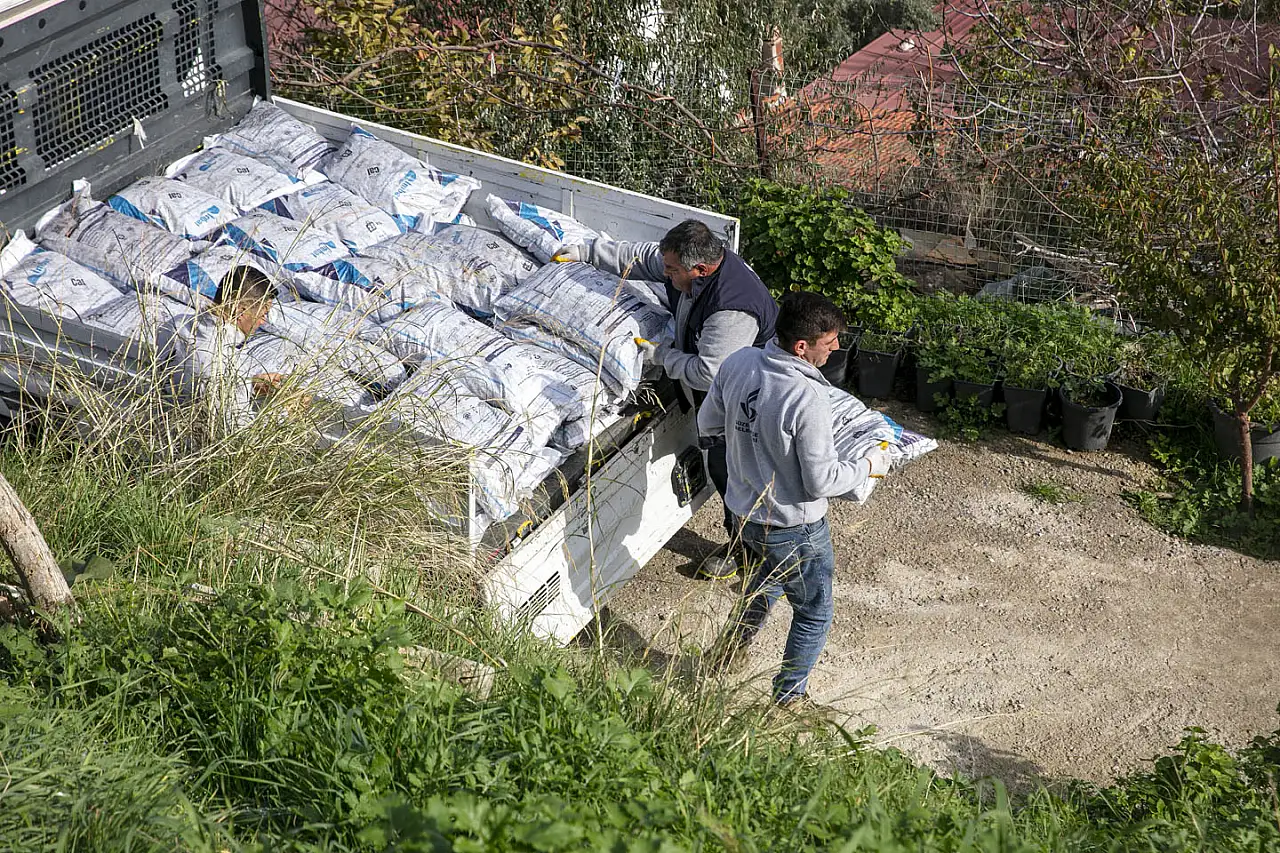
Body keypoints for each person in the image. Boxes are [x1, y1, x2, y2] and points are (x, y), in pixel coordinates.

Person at [697, 290, 890, 707]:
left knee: (764, 583)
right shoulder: (807, 396)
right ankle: (788, 700)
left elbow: (708, 423)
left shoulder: (739, 362)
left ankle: (724, 655)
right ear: (802, 346)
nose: (835, 349)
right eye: (829, 342)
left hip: (744, 511)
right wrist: (870, 465)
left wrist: (752, 449)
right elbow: (821, 481)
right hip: (793, 525)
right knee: (814, 611)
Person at [559, 220, 779, 578]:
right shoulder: (692, 270)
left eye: (672, 270)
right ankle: (749, 544)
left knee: (734, 474)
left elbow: (709, 373)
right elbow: (641, 258)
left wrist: (661, 356)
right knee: (726, 470)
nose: (665, 274)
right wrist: (586, 252)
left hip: (744, 403)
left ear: (700, 269)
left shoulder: (730, 309)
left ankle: (753, 554)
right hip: (721, 393)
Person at [158, 265, 281, 428]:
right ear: (239, 310)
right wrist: (285, 412)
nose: (263, 322)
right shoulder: (225, 364)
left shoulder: (175, 324)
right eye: (263, 314)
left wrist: (250, 383)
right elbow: (238, 434)